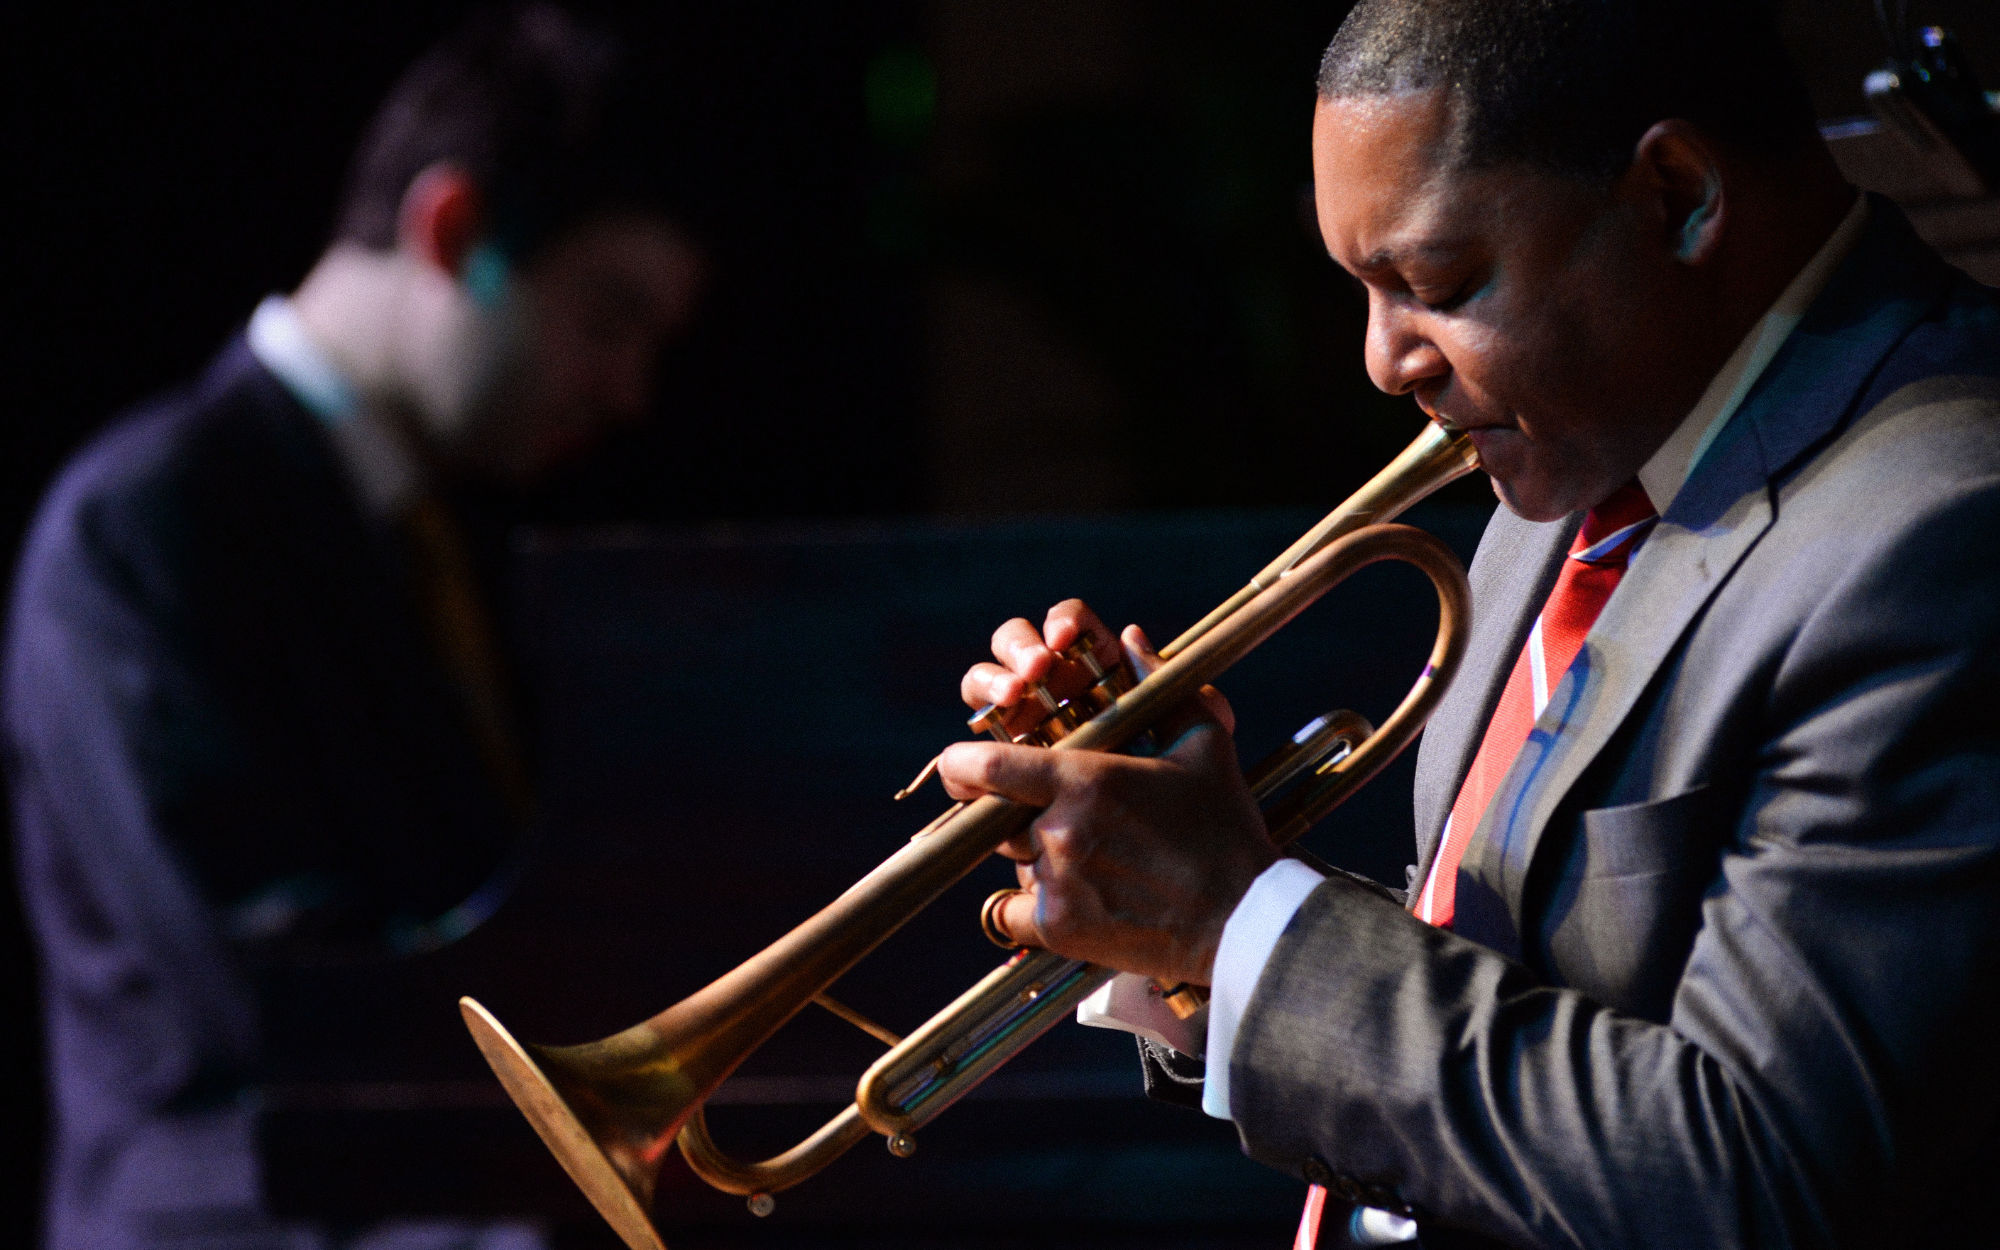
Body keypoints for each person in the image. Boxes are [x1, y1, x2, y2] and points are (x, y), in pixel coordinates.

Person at [938, 2, 2000, 1247]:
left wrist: (1237, 919)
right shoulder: (1592, 436)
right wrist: (1177, 914)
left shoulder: (1940, 534)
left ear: (1674, 196)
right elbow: (1535, 978)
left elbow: (1751, 1171)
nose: (1386, 359)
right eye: (1359, 289)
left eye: (1433, 283)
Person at [5, 7, 698, 1249]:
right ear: (453, 229)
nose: (628, 392)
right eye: (606, 318)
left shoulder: (443, 521)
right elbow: (274, 991)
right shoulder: (145, 525)